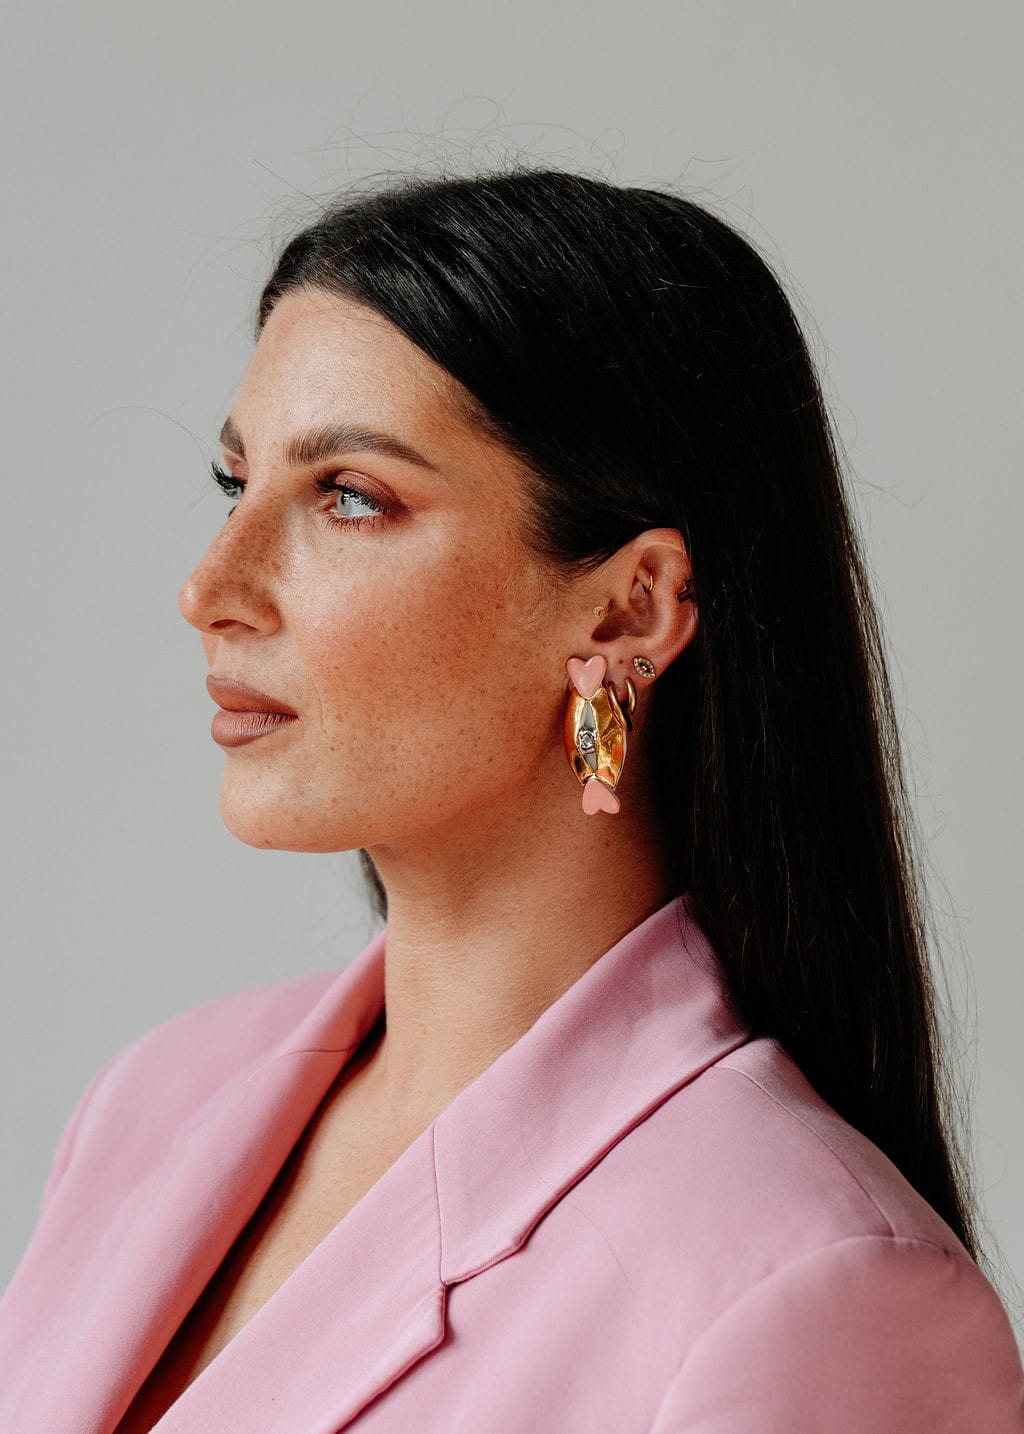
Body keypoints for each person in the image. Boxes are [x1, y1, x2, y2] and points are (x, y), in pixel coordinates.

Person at [1, 165, 1021, 1432]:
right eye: (234, 484)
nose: (212, 587)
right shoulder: (153, 1105)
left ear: (629, 609)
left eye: (349, 497)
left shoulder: (811, 1288)